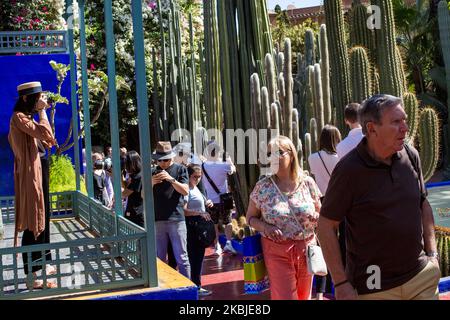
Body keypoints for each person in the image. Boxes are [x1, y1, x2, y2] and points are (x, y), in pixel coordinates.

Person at [317, 94, 441, 300]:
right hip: (374, 288)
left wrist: (433, 254)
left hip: (421, 277)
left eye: (404, 120)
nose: (405, 128)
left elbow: (423, 203)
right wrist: (340, 282)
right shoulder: (349, 170)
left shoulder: (411, 156)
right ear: (372, 128)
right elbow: (325, 226)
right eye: (395, 122)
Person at [246, 136, 322, 300]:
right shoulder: (263, 186)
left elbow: (322, 214)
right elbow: (250, 218)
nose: (272, 157)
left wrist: (316, 217)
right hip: (276, 249)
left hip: (306, 249)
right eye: (269, 153)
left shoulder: (308, 183)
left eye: (278, 153)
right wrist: (266, 228)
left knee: (304, 296)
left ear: (291, 155)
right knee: (285, 296)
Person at [8, 81, 57, 289]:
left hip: (39, 173)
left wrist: (41, 114)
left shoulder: (27, 118)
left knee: (43, 216)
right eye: (38, 99)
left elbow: (49, 140)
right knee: (32, 220)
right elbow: (45, 134)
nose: (41, 102)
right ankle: (32, 277)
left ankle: (43, 265)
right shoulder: (19, 118)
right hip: (30, 177)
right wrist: (44, 113)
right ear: (27, 99)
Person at [307, 125, 341, 300]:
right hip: (339, 202)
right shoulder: (339, 158)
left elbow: (315, 176)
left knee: (323, 248)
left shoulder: (313, 157)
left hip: (321, 202)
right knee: (341, 245)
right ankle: (341, 286)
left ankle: (319, 293)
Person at [152, 141, 191, 278]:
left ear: (172, 157)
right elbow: (143, 196)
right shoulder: (152, 172)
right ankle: (163, 289)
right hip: (157, 220)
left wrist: (171, 179)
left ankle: (189, 290)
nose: (163, 163)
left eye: (166, 159)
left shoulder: (180, 169)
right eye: (160, 160)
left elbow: (186, 191)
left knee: (182, 258)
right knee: (159, 259)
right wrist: (150, 183)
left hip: (177, 219)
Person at [183, 164, 214, 297]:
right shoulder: (187, 190)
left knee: (199, 257)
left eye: (199, 177)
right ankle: (194, 285)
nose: (197, 179)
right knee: (193, 257)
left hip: (198, 226)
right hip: (191, 227)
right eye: (195, 177)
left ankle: (196, 284)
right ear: (188, 176)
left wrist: (207, 204)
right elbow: (183, 211)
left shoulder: (197, 189)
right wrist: (199, 213)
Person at [202, 141, 237, 255]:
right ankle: (229, 243)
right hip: (225, 198)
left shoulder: (203, 166)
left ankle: (217, 245)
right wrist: (229, 160)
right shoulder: (224, 165)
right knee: (228, 221)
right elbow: (233, 170)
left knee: (214, 223)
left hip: (210, 200)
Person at [308, 125, 342, 195]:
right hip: (338, 195)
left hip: (322, 197)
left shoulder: (312, 158)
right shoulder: (340, 158)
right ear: (336, 140)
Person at [122, 151, 144, 227]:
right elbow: (127, 188)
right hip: (136, 212)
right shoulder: (139, 174)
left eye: (126, 164)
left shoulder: (138, 177)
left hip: (137, 213)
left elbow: (124, 194)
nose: (125, 166)